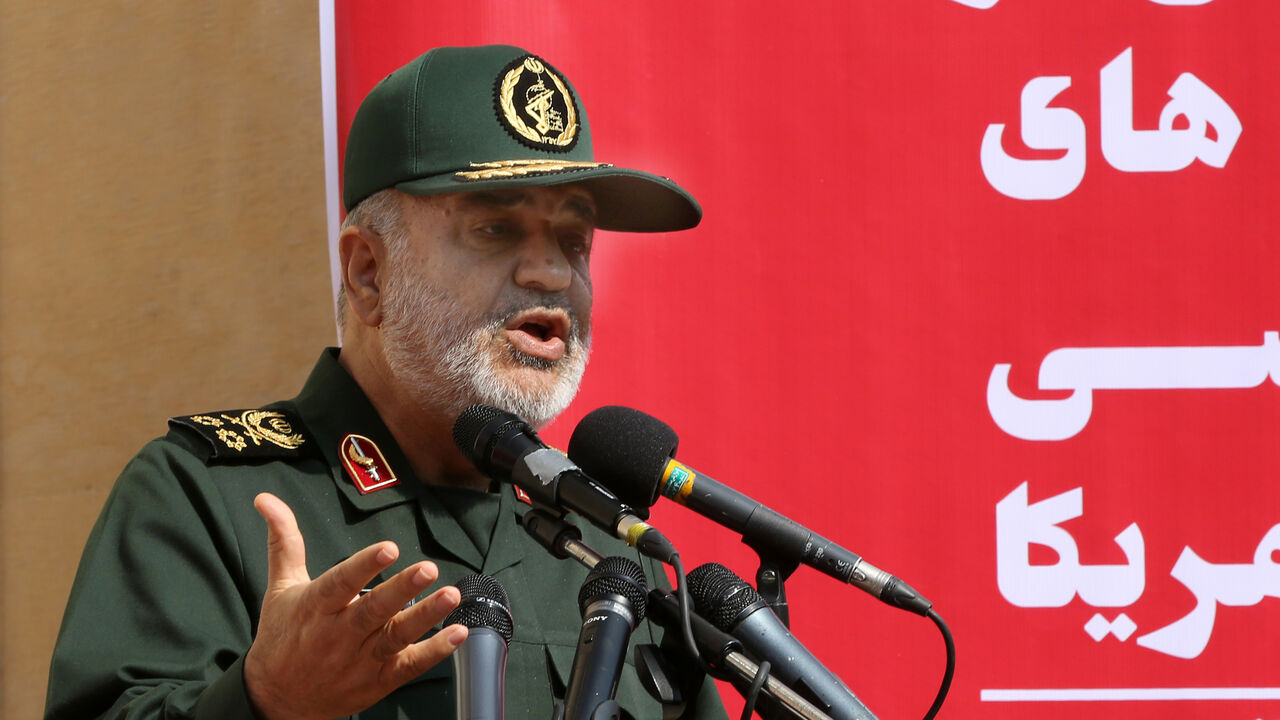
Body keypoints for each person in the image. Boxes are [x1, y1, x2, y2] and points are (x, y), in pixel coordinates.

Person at [44, 44, 726, 720]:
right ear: (369, 271)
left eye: (574, 241)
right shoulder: (208, 498)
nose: (550, 274)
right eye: (495, 228)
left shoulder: (607, 552)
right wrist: (264, 704)